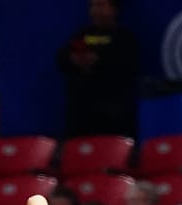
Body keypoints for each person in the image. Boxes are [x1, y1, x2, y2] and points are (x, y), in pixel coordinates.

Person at [56, 0, 139, 138]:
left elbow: (126, 69)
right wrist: (74, 59)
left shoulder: (124, 37)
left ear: (114, 9)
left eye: (100, 5)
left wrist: (97, 62)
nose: (94, 11)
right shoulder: (83, 35)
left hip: (113, 116)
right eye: (92, 6)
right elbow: (62, 58)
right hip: (80, 116)